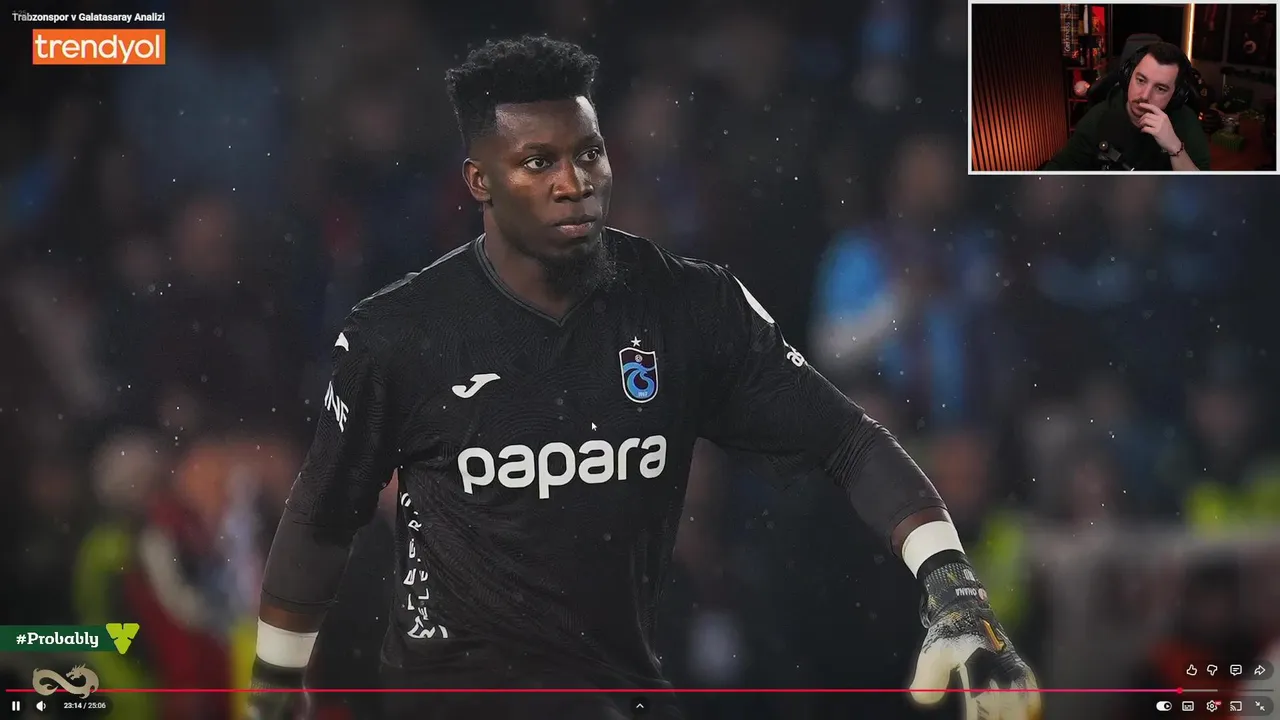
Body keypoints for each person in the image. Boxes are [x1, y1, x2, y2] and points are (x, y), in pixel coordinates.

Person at [247, 35, 1040, 720]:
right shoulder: (400, 333)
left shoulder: (690, 306)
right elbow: (322, 514)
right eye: (539, 162)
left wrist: (953, 588)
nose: (574, 181)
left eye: (588, 153)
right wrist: (276, 684)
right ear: (479, 181)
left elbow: (846, 441)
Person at [1043, 42, 1210, 171]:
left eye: (1160, 88)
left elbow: (1202, 192)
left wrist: (1174, 147)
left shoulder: (1186, 122)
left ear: (1176, 95)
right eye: (1141, 80)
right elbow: (1057, 172)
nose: (1145, 95)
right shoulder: (1098, 117)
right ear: (1128, 77)